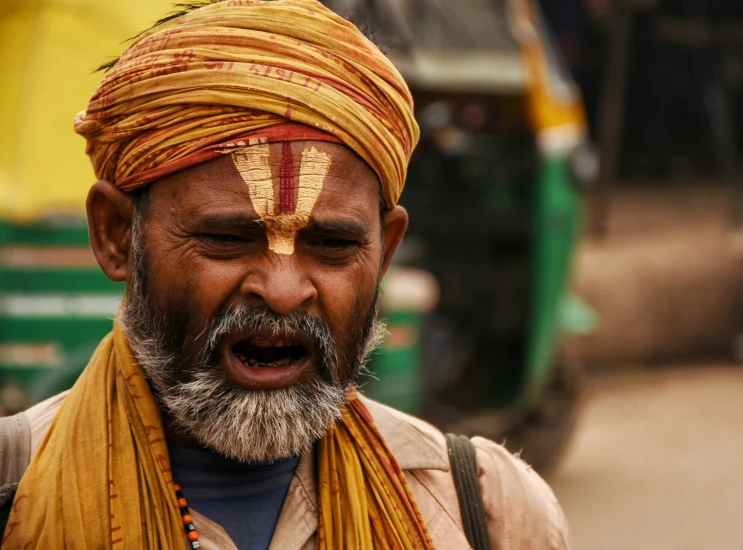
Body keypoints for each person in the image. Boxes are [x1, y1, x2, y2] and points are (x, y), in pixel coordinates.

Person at [0, 1, 571, 548]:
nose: (281, 291)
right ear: (116, 235)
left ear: (386, 250)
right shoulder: (13, 493)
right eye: (226, 239)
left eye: (332, 245)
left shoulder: (485, 513)